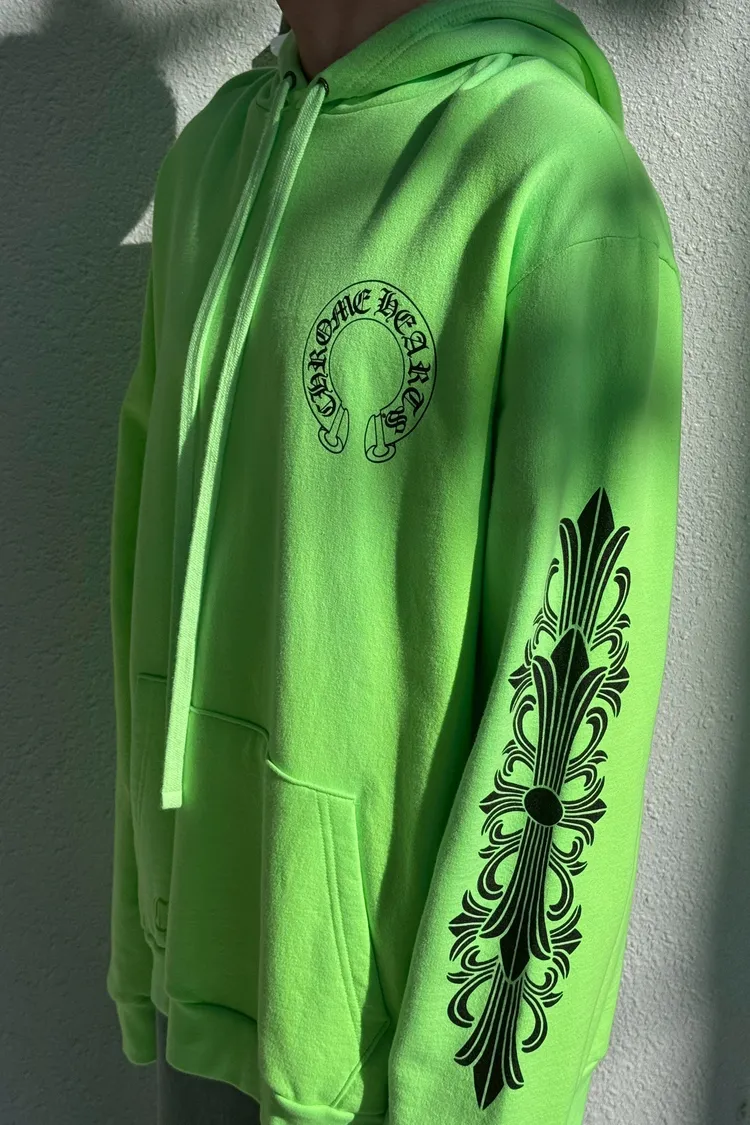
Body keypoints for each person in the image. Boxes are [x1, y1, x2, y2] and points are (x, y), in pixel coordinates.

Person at [105, 0, 683, 1122]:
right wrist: (145, 936)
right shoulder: (211, 163)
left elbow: (576, 678)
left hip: (394, 1059)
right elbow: (148, 572)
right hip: (203, 991)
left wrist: (476, 1091)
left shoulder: (562, 189)